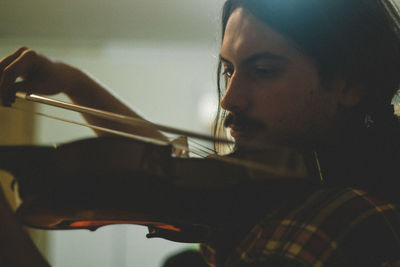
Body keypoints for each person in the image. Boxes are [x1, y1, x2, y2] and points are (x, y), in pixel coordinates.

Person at [1, 0, 400, 266]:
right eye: (228, 69)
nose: (229, 99)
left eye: (263, 70)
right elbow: (167, 174)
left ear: (350, 84)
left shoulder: (344, 216)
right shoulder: (277, 187)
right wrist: (73, 80)